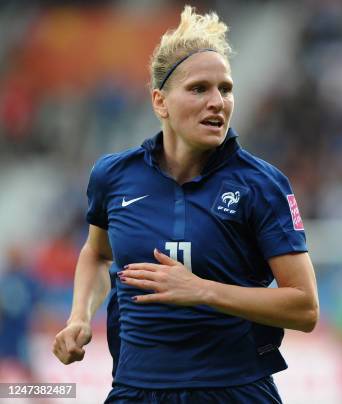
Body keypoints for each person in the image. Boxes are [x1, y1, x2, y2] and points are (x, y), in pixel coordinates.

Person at [52, 6, 319, 403]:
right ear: (160, 102)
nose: (218, 102)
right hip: (136, 390)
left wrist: (202, 290)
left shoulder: (262, 185)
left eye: (225, 89)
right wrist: (78, 317)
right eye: (199, 89)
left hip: (234, 391)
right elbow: (96, 253)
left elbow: (304, 307)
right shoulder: (113, 175)